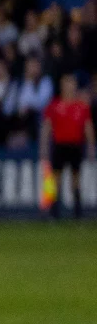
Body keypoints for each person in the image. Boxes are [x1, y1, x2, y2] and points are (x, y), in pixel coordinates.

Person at [42, 75, 93, 219]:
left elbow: (88, 127)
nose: (70, 86)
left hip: (76, 145)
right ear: (62, 86)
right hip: (59, 145)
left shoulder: (81, 106)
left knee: (75, 178)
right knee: (55, 178)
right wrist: (44, 147)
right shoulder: (54, 105)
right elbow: (46, 127)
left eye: (72, 83)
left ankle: (77, 212)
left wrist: (91, 146)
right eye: (67, 83)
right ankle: (54, 211)